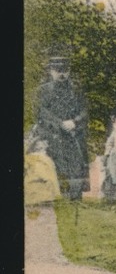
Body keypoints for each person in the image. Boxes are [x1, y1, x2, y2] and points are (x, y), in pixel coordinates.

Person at [33, 56, 89, 200]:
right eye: (58, 70)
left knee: (76, 165)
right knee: (53, 165)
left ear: (69, 71)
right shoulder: (43, 91)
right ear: (51, 71)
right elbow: (41, 111)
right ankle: (55, 199)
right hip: (52, 135)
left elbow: (85, 110)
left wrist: (74, 122)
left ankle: (76, 200)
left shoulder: (76, 89)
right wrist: (60, 123)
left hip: (73, 134)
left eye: (65, 70)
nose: (61, 74)